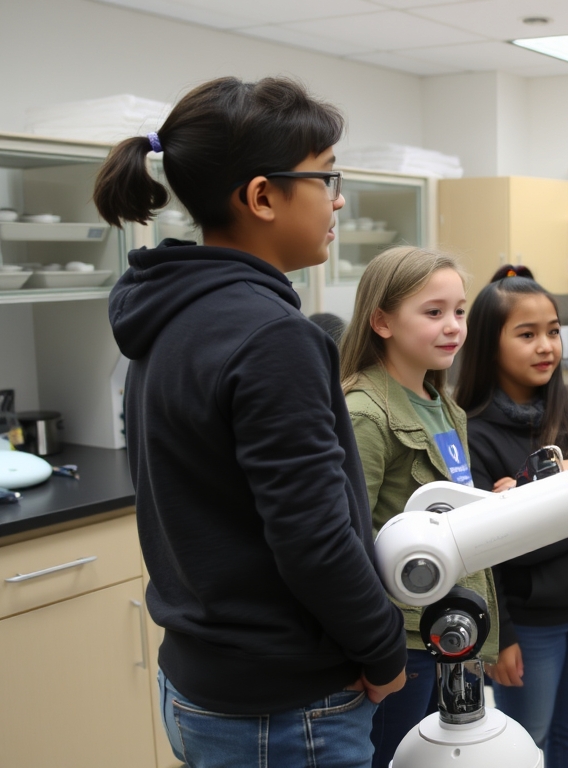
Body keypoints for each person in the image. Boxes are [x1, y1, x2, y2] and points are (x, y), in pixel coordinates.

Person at [97, 76, 406, 767]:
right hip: (284, 706)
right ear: (262, 196)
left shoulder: (169, 312)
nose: (339, 199)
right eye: (326, 178)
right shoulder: (271, 337)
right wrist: (384, 649)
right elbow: (313, 536)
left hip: (201, 682)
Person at [454, 267, 568, 768]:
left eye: (553, 331)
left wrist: (532, 499)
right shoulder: (471, 429)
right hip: (527, 621)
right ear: (489, 345)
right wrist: (498, 636)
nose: (546, 345)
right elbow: (489, 550)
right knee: (526, 739)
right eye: (526, 334)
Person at [339, 246, 500, 768]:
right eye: (433, 313)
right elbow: (348, 541)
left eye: (458, 311)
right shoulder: (364, 411)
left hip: (449, 624)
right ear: (381, 321)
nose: (453, 326)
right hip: (402, 640)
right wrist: (373, 649)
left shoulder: (441, 403)